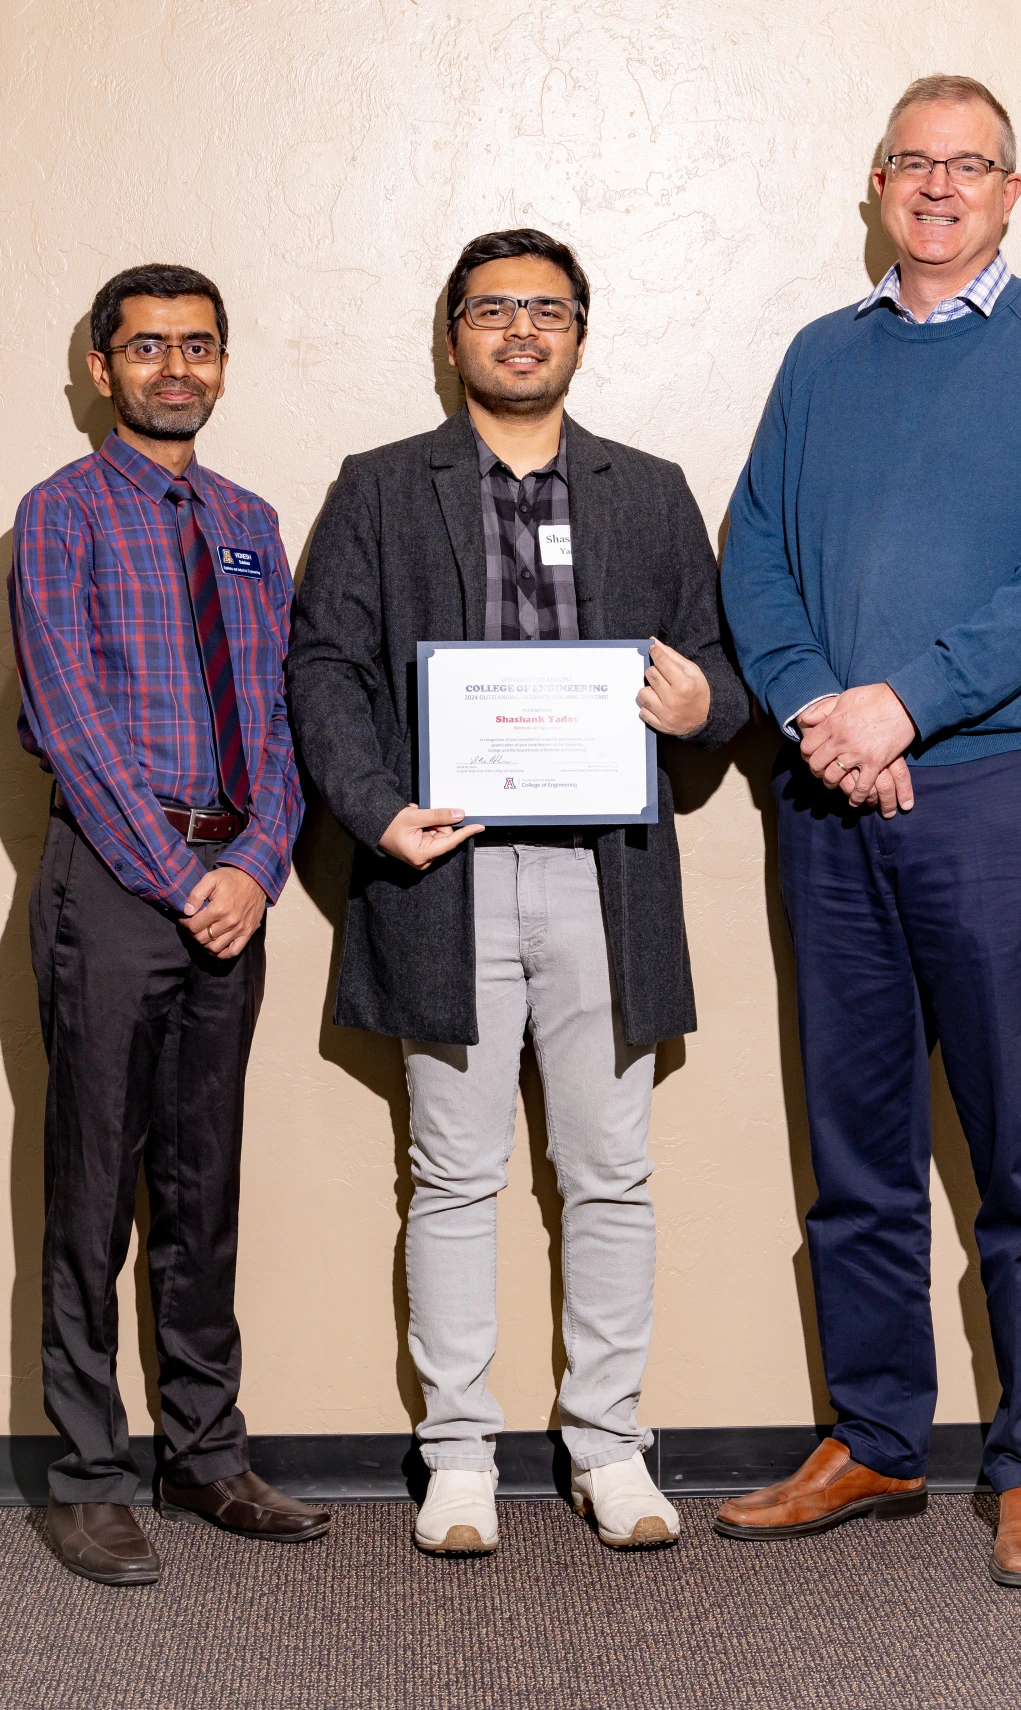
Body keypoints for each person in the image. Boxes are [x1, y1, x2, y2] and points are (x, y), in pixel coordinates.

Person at [718, 76, 1021, 1587]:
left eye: (971, 166)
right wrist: (830, 709)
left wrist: (911, 707)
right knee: (858, 1143)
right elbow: (753, 551)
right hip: (832, 792)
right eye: (914, 162)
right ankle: (880, 1435)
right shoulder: (820, 358)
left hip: (1002, 789)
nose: (940, 186)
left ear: (1012, 191)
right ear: (876, 186)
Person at [288, 228, 749, 1556]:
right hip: (446, 875)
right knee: (452, 1171)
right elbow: (323, 668)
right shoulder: (380, 488)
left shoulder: (649, 490)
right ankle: (460, 1455)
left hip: (609, 878)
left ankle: (608, 1445)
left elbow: (722, 663)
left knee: (609, 1170)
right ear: (454, 336)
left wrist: (702, 697)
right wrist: (377, 809)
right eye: (495, 310)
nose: (522, 330)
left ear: (581, 333)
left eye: (547, 309)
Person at [9, 263, 330, 1585]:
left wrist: (258, 864)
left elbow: (287, 716)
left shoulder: (253, 521)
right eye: (147, 348)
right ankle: (88, 1472)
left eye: (197, 346)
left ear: (221, 361)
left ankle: (205, 1450)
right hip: (111, 890)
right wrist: (175, 871)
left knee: (206, 1184)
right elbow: (69, 724)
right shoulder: (59, 517)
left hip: (233, 895)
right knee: (94, 1188)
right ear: (102, 367)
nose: (175, 368)